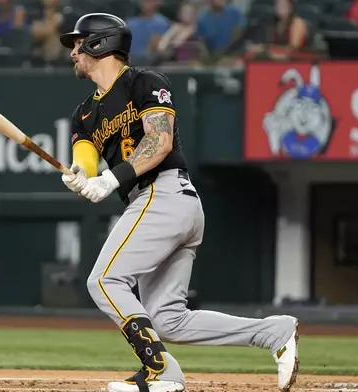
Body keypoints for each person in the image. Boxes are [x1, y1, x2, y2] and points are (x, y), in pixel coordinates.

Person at [59, 13, 299, 392]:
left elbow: (160, 141)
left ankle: (159, 370)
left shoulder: (144, 83)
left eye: (78, 43)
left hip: (163, 193)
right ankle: (273, 332)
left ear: (99, 44)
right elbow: (86, 158)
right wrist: (79, 174)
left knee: (104, 281)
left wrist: (110, 179)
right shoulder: (84, 113)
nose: (72, 51)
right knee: (168, 320)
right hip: (162, 205)